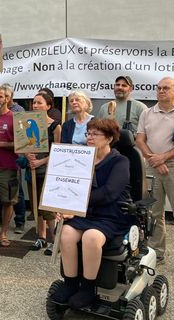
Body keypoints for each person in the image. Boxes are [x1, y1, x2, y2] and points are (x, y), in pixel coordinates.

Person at [51, 118, 132, 309]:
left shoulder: (120, 161)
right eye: (88, 133)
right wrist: (62, 205)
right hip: (85, 211)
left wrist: (75, 206)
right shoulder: (81, 157)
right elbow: (67, 184)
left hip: (111, 213)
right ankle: (70, 283)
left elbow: (109, 193)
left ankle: (87, 288)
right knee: (66, 234)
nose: (89, 137)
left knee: (91, 238)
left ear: (109, 138)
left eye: (95, 134)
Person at [136, 77, 174, 279]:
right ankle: (157, 253)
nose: (161, 91)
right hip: (152, 166)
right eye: (159, 88)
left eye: (166, 88)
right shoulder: (147, 112)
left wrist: (164, 157)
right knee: (154, 213)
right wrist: (155, 160)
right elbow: (140, 139)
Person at [26, 92, 61, 254]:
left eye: (39, 103)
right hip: (32, 170)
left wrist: (40, 161)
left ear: (48, 106)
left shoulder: (55, 126)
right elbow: (23, 144)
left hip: (48, 171)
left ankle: (53, 240)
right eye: (34, 103)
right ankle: (41, 236)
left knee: (48, 208)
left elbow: (57, 150)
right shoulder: (27, 122)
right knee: (36, 207)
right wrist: (28, 156)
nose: (35, 106)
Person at [0, 85, 19, 247]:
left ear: (8, 98)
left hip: (8, 167)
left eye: (1, 97)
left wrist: (0, 144)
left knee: (8, 201)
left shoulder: (14, 118)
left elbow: (20, 144)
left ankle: (4, 232)